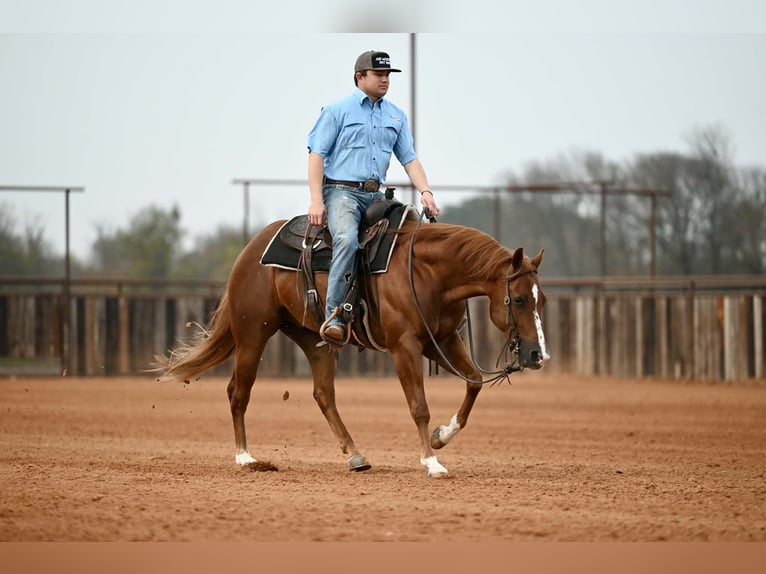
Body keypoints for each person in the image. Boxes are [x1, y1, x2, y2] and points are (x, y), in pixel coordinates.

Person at [307, 49, 441, 346]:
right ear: (360, 77)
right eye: (379, 75)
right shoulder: (336, 111)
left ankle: (410, 311)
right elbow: (317, 155)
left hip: (376, 195)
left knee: (411, 235)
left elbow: (409, 159)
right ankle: (336, 316)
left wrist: (426, 192)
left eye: (388, 75)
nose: (385, 80)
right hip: (341, 192)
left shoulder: (396, 115)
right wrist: (317, 200)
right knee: (347, 239)